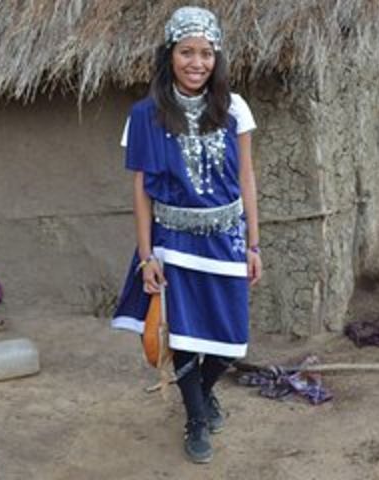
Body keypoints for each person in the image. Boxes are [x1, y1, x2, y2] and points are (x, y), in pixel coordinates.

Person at [111, 6, 262, 464]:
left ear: (216, 57)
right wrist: (145, 256)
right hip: (173, 241)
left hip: (227, 239)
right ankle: (197, 417)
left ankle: (205, 393)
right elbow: (140, 190)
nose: (197, 63)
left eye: (205, 53)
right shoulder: (146, 115)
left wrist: (254, 243)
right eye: (186, 52)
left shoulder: (233, 107)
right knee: (185, 338)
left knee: (231, 340)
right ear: (169, 55)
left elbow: (248, 177)